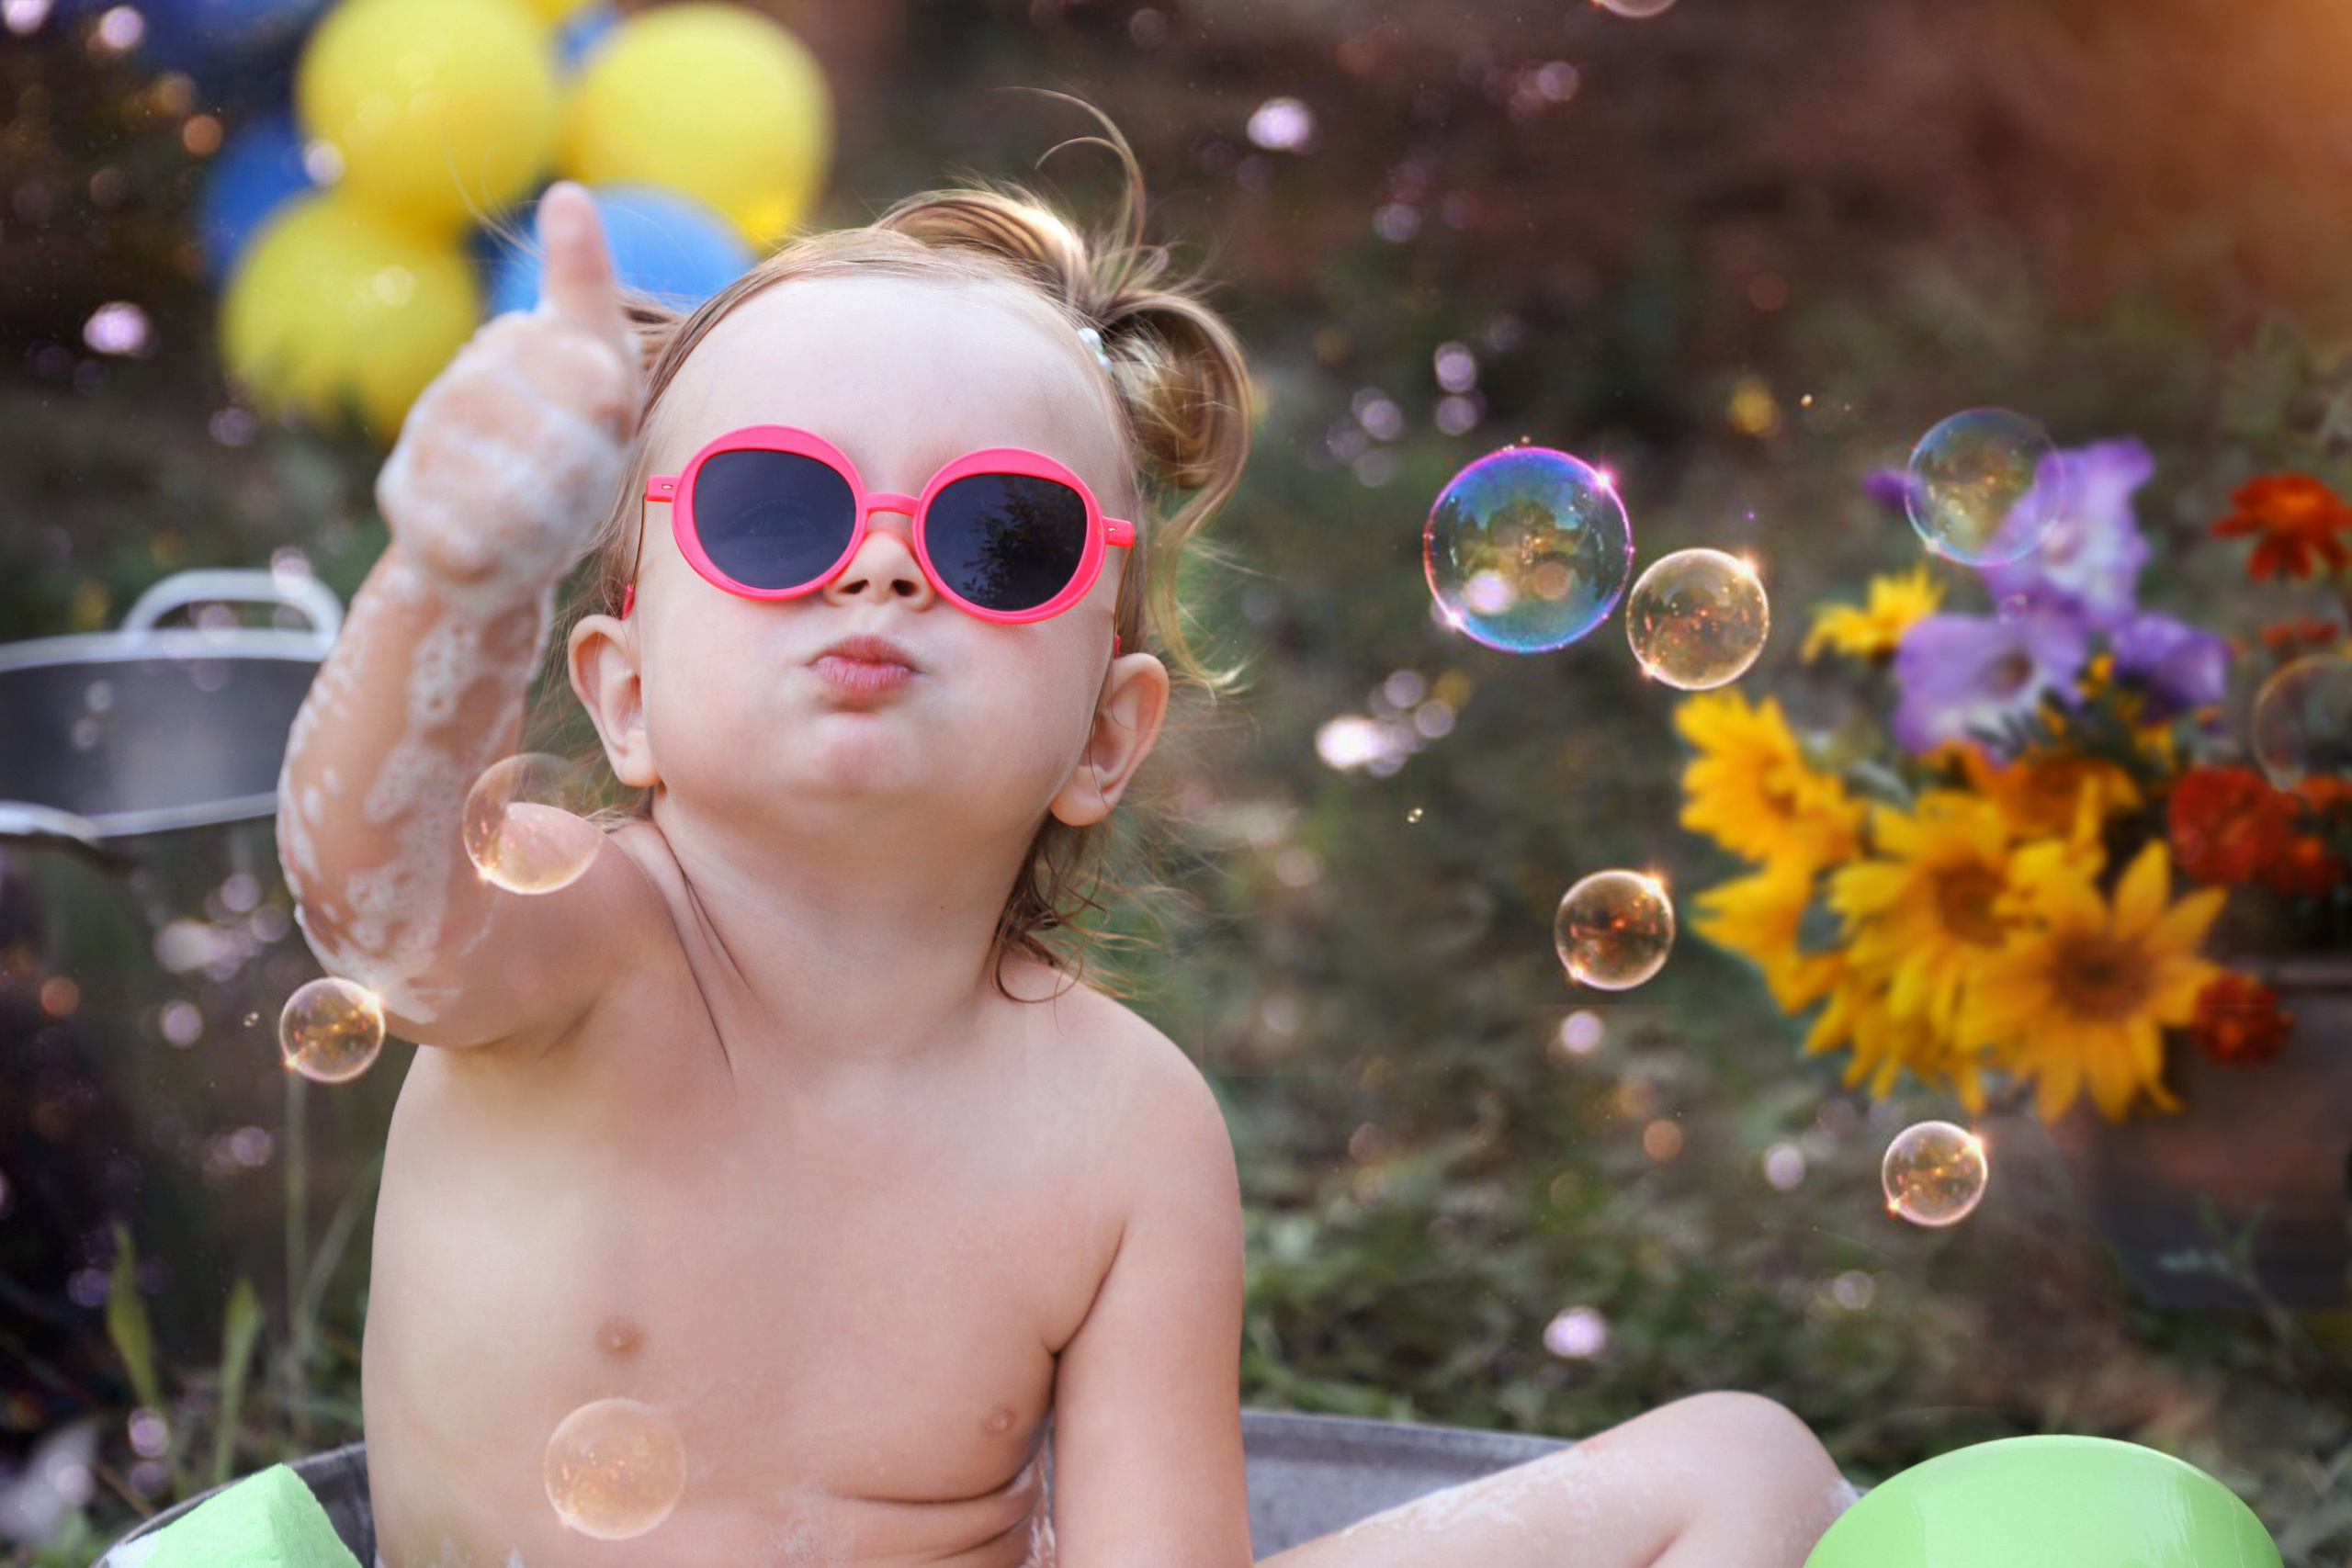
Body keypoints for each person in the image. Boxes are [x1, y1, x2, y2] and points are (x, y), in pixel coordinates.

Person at [277, 125, 1853, 1567]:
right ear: (624, 698)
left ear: (1104, 735)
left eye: (998, 539)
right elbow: (367, 895)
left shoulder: (1126, 1134)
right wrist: (452, 580)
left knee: (1748, 1460)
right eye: (774, 514)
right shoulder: (573, 943)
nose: (885, 568)